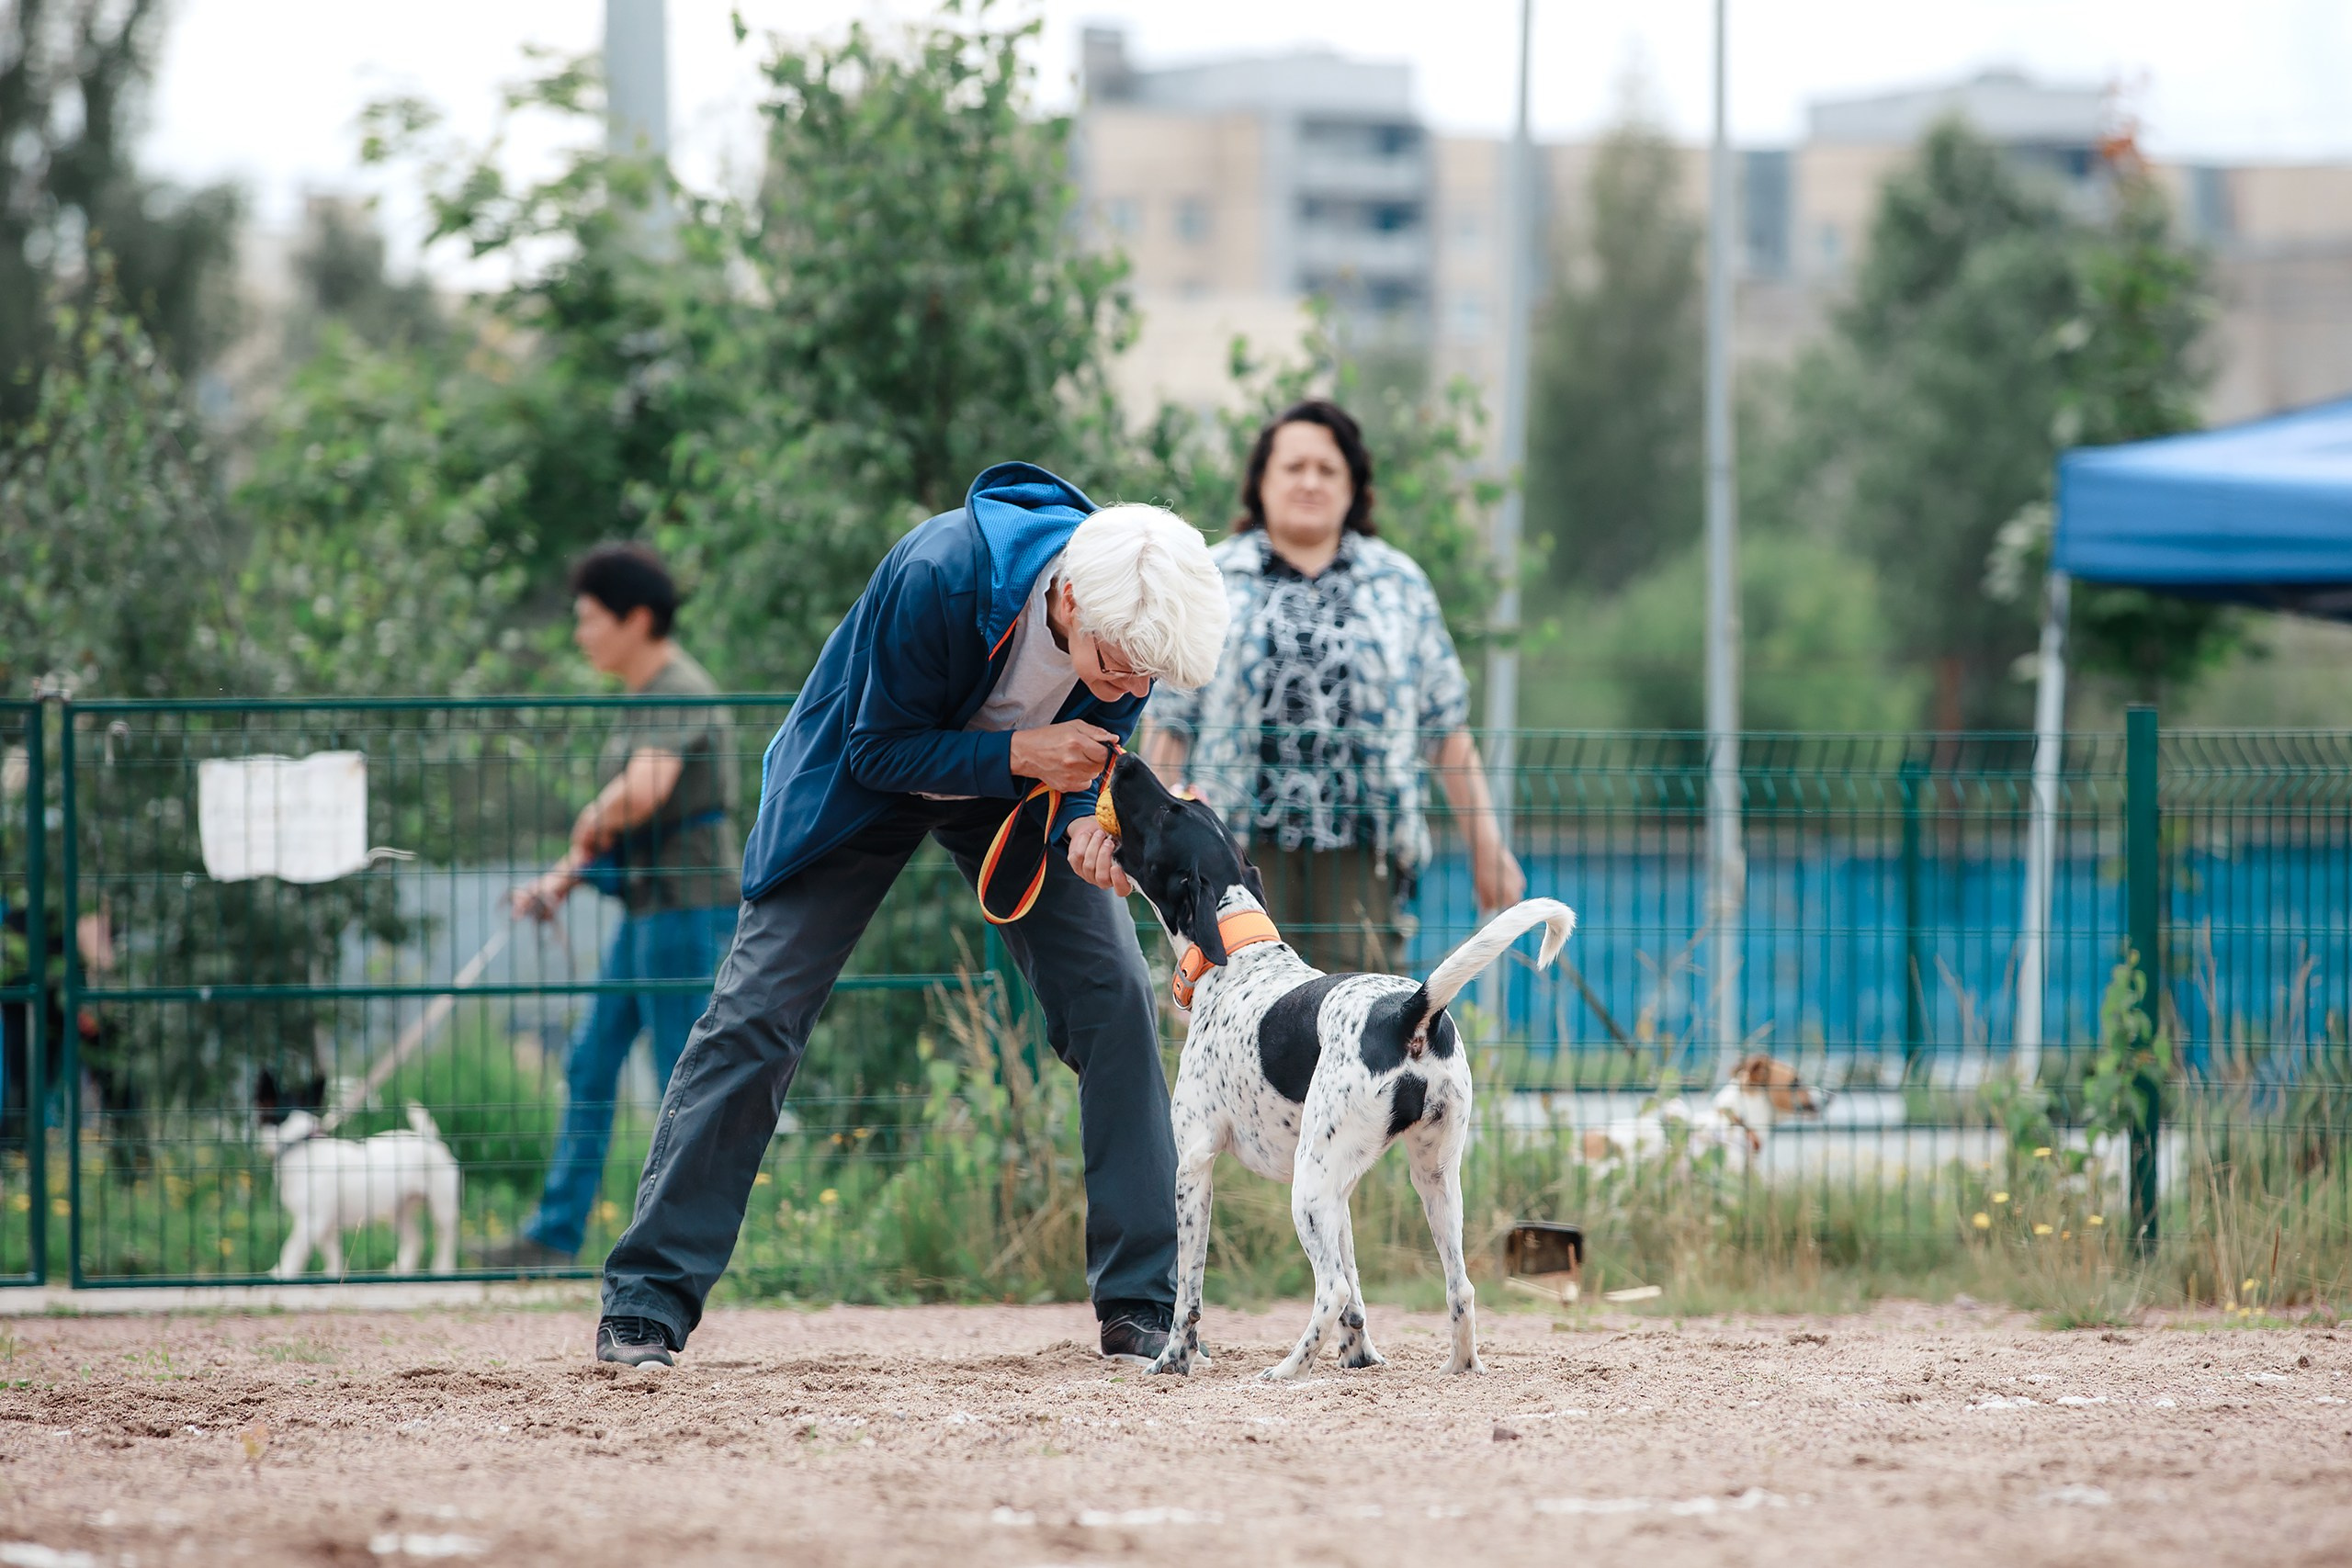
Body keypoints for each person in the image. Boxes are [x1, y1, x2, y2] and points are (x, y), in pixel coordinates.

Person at [594, 463, 1227, 1369]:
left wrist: (1097, 824)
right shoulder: (942, 571)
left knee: (1117, 1001)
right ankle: (646, 1301)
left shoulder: (1138, 613)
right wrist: (1018, 751)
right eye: (1120, 661)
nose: (1132, 683)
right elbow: (875, 747)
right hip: (858, 785)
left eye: (1149, 671)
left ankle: (1141, 1305)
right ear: (1073, 599)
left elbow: (1102, 749)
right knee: (757, 1017)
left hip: (1025, 789)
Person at [1144, 399, 1524, 974]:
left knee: (1359, 1033)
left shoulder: (1399, 584)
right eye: (1293, 467)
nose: (1310, 482)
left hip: (1360, 858)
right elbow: (1170, 722)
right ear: (1261, 482)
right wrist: (1155, 841)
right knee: (1233, 1023)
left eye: (1328, 470)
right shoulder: (1211, 577)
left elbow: (1445, 728)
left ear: (1353, 487)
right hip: (1233, 851)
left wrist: (1486, 847)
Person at [478, 544, 741, 1270]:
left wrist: (586, 824)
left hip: (686, 912)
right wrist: (560, 879)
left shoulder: (680, 689)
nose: (580, 633)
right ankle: (554, 1235)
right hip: (648, 910)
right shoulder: (643, 694)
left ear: (638, 619)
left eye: (590, 619)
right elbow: (618, 815)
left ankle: (680, 1245)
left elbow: (642, 793)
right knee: (591, 1063)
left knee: (676, 1078)